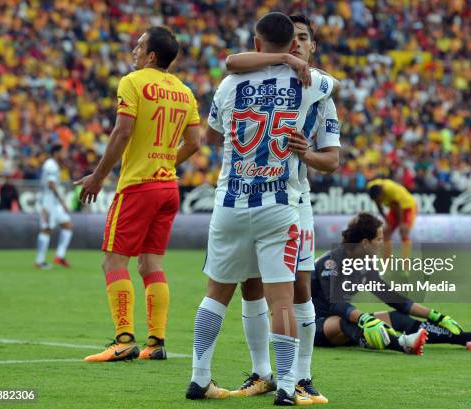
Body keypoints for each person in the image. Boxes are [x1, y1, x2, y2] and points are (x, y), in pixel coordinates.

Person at [185, 12, 338, 406]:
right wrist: (293, 63)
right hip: (278, 205)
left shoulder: (228, 84)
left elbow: (213, 133)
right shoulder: (313, 84)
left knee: (215, 293)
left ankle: (199, 377)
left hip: (230, 202)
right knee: (282, 299)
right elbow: (329, 85)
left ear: (255, 44)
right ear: (293, 45)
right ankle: (288, 384)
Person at [75, 26, 201, 362]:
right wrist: (165, 160)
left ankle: (124, 339)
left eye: (140, 44)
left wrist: (99, 176)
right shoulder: (185, 92)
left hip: (138, 186)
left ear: (151, 56)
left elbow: (123, 130)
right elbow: (196, 141)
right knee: (151, 263)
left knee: (113, 261)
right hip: (168, 187)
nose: (134, 48)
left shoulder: (133, 82)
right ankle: (156, 342)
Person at [313, 213, 471, 352]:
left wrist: (435, 316)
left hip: (346, 325)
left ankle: (470, 338)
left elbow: (393, 299)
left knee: (398, 318)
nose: (382, 243)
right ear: (365, 243)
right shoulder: (331, 262)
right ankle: (401, 344)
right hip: (314, 328)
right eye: (379, 239)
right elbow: (336, 303)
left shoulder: (365, 264)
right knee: (349, 322)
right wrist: (365, 319)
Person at [34, 144, 73, 269]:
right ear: (56, 152)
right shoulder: (50, 165)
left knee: (67, 226)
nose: (64, 155)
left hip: (54, 203)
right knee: (46, 229)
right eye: (62, 152)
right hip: (48, 202)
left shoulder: (55, 165)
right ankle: (39, 261)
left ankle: (59, 256)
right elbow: (51, 184)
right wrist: (62, 201)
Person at [367, 178, 417, 259]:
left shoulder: (391, 190)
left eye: (378, 199)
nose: (378, 202)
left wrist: (401, 223)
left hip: (407, 207)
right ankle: (386, 263)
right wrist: (386, 218)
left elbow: (399, 206)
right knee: (385, 233)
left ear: (381, 193)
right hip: (394, 208)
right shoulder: (372, 187)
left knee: (404, 232)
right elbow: (378, 204)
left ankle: (405, 265)